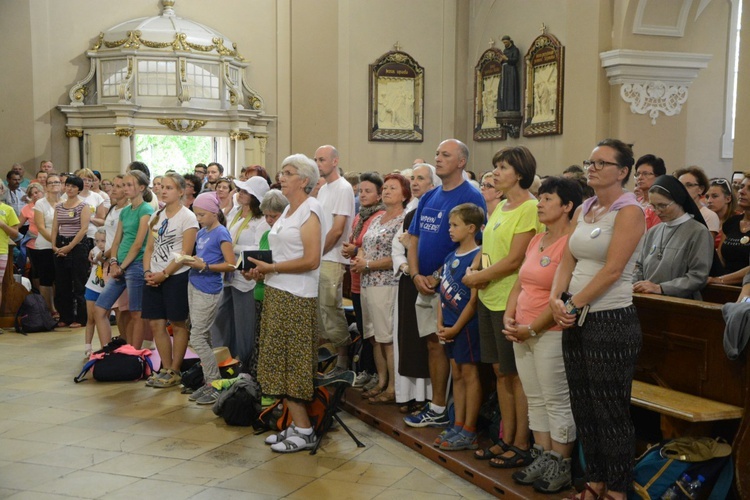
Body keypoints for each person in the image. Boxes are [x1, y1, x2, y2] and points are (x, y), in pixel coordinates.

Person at [551, 139, 645, 500]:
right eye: (590, 161)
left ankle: (618, 489)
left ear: (622, 172)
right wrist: (555, 298)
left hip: (611, 320)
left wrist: (571, 304)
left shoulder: (629, 211)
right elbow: (566, 260)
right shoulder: (585, 207)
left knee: (610, 409)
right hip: (575, 316)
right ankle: (595, 480)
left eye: (602, 163)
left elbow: (613, 270)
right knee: (583, 405)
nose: (592, 167)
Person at [463, 146, 542, 468]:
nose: (495, 172)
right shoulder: (501, 206)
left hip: (510, 300)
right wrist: (474, 269)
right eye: (495, 166)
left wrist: (479, 276)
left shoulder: (530, 208)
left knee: (515, 375)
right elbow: (489, 248)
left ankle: (521, 441)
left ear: (520, 173)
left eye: (503, 167)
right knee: (499, 372)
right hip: (488, 295)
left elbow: (515, 260)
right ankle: (505, 436)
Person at [503, 177, 581, 493]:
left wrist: (533, 327)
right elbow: (521, 282)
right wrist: (509, 315)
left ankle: (561, 463)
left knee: (556, 400)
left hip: (550, 330)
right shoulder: (538, 239)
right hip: (522, 330)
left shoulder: (571, 244)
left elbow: (563, 296)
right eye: (541, 198)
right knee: (535, 397)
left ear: (567, 206)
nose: (540, 203)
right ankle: (543, 455)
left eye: (548, 199)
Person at [247, 153, 326, 453]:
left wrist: (273, 269)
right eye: (282, 171)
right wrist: (259, 268)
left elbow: (310, 259)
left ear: (305, 180)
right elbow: (280, 254)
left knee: (293, 363)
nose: (282, 176)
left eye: (289, 172)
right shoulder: (290, 211)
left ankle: (305, 430)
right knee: (277, 361)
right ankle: (293, 423)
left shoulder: (311, 209)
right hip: (278, 292)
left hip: (296, 297)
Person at [405, 139, 486, 428]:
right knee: (433, 344)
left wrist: (438, 276)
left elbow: (474, 243)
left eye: (445, 155)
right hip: (423, 282)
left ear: (461, 162)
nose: (437, 158)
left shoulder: (472, 196)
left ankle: (452, 413)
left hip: (453, 284)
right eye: (437, 154)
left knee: (451, 349)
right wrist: (415, 274)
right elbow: (413, 238)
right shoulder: (430, 196)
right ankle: (438, 406)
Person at [352, 173, 410, 405]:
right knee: (374, 337)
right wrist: (360, 259)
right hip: (367, 283)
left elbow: (397, 256)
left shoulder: (403, 220)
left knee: (387, 338)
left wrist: (367, 264)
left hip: (387, 283)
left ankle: (394, 387)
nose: (385, 191)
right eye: (384, 188)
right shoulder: (378, 218)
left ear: (404, 194)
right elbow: (365, 245)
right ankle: (381, 381)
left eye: (392, 188)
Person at [389, 163, 440, 411]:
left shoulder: (439, 210)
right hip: (410, 282)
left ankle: (430, 397)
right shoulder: (411, 215)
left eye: (422, 178)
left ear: (433, 184)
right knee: (408, 340)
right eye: (414, 179)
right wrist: (407, 268)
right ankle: (409, 394)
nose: (416, 183)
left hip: (432, 283)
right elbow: (397, 248)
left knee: (428, 343)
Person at [142, 173, 198, 389]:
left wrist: (164, 274)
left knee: (177, 323)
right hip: (154, 274)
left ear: (181, 191)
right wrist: (148, 271)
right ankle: (165, 368)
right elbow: (149, 247)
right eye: (162, 187)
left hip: (176, 275)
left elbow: (186, 252)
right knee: (156, 323)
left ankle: (175, 368)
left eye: (170, 188)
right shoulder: (157, 215)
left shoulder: (188, 217)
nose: (163, 191)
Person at [434, 203, 483, 451]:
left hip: (466, 326)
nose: (450, 230)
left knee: (470, 374)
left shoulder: (478, 256)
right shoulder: (450, 256)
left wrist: (456, 327)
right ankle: (458, 423)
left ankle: (469, 429)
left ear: (471, 228)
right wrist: (441, 322)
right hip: (450, 325)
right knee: (458, 375)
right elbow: (442, 293)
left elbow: (473, 301)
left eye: (455, 225)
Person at [211, 176, 269, 368]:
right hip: (229, 274)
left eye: (245, 192)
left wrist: (232, 249)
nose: (240, 194)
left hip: (246, 277)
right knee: (223, 318)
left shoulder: (261, 220)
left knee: (244, 324)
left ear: (255, 197)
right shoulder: (235, 213)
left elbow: (258, 249)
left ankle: (242, 361)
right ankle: (221, 359)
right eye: (240, 191)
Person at [183, 192, 236, 404]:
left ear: (215, 213)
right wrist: (194, 261)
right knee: (202, 336)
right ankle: (208, 381)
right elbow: (205, 257)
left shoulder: (221, 233)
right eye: (196, 214)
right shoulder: (203, 232)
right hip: (194, 283)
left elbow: (231, 264)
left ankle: (214, 383)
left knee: (197, 337)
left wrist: (205, 266)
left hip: (209, 288)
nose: (199, 218)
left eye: (202, 214)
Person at [93, 170, 154, 348]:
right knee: (100, 308)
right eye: (124, 185)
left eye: (129, 185)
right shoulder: (125, 211)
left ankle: (135, 353)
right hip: (118, 264)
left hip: (135, 264)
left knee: (136, 312)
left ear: (141, 187)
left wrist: (122, 266)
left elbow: (138, 243)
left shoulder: (146, 210)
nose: (125, 189)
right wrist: (113, 262)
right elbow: (117, 240)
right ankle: (106, 349)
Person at [633, 175, 713, 300]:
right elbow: (639, 266)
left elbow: (698, 277)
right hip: (647, 300)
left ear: (678, 200)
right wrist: (635, 284)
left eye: (662, 205)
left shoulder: (698, 232)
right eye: (653, 206)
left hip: (681, 304)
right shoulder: (653, 231)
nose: (657, 211)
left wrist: (660, 288)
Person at [314, 145, 356, 376]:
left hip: (332, 257)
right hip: (321, 256)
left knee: (331, 307)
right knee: (320, 311)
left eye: (322, 159)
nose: (318, 164)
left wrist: (317, 253)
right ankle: (327, 358)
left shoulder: (343, 187)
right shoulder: (323, 189)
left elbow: (338, 229)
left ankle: (343, 360)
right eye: (316, 160)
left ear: (335, 161)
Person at [342, 173, 386, 393]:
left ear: (379, 195)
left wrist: (355, 250)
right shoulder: (360, 216)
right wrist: (351, 249)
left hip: (372, 279)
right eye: (361, 191)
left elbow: (377, 250)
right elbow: (354, 241)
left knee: (374, 332)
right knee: (362, 328)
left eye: (369, 191)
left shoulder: (380, 217)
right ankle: (366, 370)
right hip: (357, 278)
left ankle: (374, 372)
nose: (364, 195)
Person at [247, 189, 289, 379]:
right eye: (266, 216)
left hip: (279, 294)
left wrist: (267, 270)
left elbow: (285, 267)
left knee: (275, 344)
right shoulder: (265, 236)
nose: (270, 220)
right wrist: (252, 273)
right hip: (260, 293)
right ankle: (258, 382)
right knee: (260, 341)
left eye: (274, 216)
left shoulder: (287, 237)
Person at [51, 176, 90, 328]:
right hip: (61, 243)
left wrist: (70, 246)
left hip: (78, 245)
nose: (69, 189)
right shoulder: (59, 206)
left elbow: (84, 229)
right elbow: (55, 227)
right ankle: (65, 316)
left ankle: (81, 318)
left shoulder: (83, 206)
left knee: (79, 283)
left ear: (79, 189)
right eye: (67, 186)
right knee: (62, 283)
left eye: (73, 186)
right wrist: (54, 245)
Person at [31, 173, 61, 318]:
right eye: (51, 182)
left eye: (57, 182)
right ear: (46, 186)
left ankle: (61, 308)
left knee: (60, 279)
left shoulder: (65, 201)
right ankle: (49, 309)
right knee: (46, 279)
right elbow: (41, 227)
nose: (54, 184)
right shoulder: (40, 203)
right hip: (45, 245)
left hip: (63, 246)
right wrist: (55, 243)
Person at [712, 173, 750, 284]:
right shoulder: (731, 222)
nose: (741, 191)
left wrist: (721, 280)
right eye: (741, 187)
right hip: (724, 285)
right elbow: (720, 259)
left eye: (749, 188)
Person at [675, 166, 721, 241]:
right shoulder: (675, 212)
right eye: (680, 185)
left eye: (689, 185)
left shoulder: (708, 215)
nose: (683, 189)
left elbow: (705, 246)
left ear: (700, 189)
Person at [84, 229, 107, 357]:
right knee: (91, 318)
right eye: (97, 241)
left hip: (106, 289)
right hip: (93, 287)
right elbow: (96, 257)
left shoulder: (110, 251)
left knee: (103, 319)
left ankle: (104, 345)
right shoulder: (95, 251)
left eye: (103, 241)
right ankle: (88, 346)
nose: (100, 244)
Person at [18, 183, 44, 286]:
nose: (35, 195)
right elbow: (17, 225)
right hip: (33, 243)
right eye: (32, 193)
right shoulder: (27, 208)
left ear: (43, 192)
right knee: (36, 271)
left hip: (49, 242)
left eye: (37, 192)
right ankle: (38, 296)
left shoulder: (49, 204)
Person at [633, 154, 666, 230]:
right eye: (638, 174)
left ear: (658, 177)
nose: (640, 178)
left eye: (645, 174)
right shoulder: (635, 201)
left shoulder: (660, 205)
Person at [498, 36, 521, 112]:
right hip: (504, 71)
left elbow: (515, 60)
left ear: (510, 41)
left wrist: (507, 59)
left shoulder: (515, 50)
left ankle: (510, 107)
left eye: (506, 42)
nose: (505, 44)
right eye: (503, 43)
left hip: (511, 71)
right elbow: (503, 61)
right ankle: (504, 107)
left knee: (510, 88)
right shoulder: (505, 50)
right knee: (503, 89)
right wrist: (501, 60)